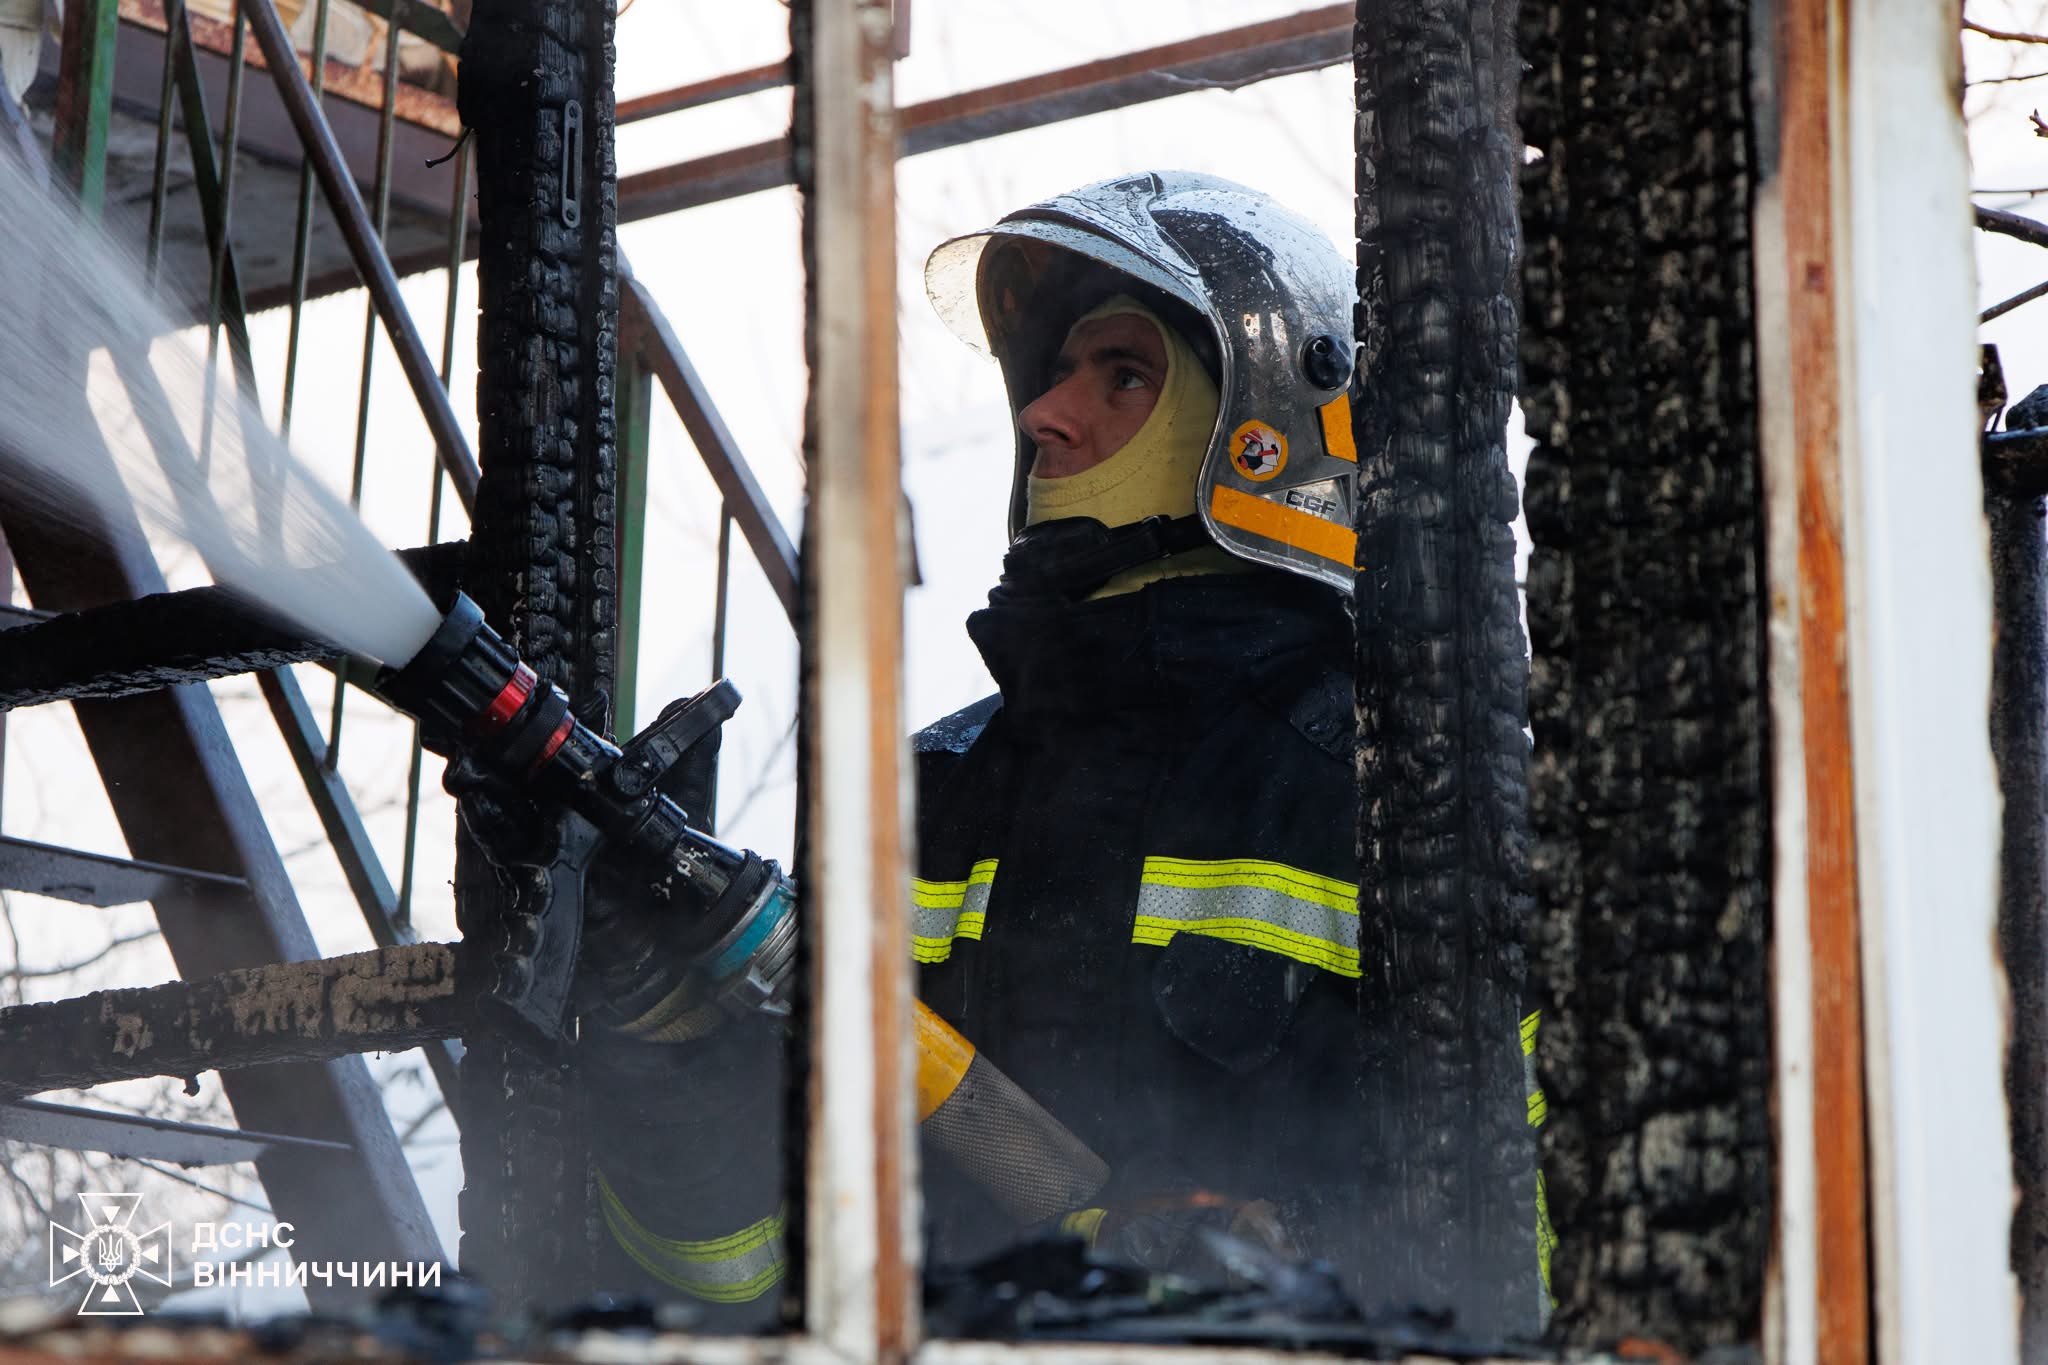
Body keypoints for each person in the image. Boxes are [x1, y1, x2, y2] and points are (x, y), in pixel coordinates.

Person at [577, 171, 1536, 1326]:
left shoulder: (1401, 795)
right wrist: (657, 1031)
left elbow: (1526, 1237)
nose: (1044, 415)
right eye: (1052, 372)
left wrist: (1288, 1260)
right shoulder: (919, 799)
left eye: (1120, 375)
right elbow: (739, 1278)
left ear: (1260, 434)